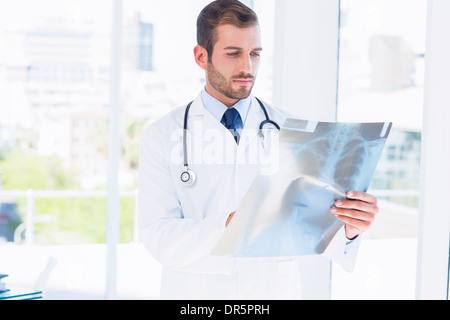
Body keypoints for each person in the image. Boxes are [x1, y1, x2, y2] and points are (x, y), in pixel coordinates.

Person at [138, 0, 379, 300]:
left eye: (255, 54)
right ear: (202, 56)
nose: (247, 67)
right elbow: (158, 235)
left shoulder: (289, 127)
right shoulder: (163, 135)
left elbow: (311, 225)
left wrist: (350, 227)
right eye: (233, 53)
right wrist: (229, 227)